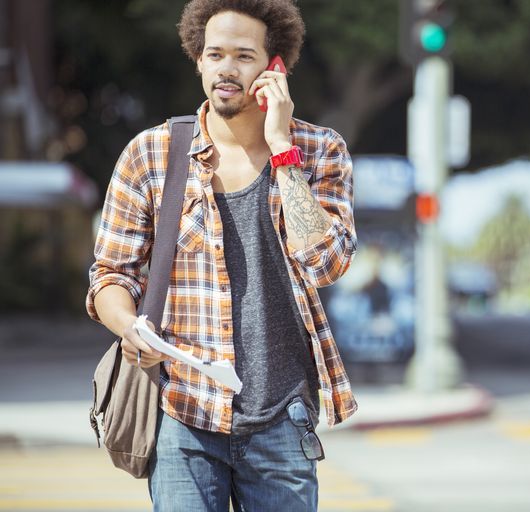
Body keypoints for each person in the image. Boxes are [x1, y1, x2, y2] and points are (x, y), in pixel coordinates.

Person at [85, 1, 358, 509]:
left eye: (243, 55)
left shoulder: (322, 151)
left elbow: (328, 264)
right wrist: (129, 328)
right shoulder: (152, 153)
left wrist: (282, 150)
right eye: (214, 54)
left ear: (274, 67)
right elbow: (111, 274)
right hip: (182, 413)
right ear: (198, 59)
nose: (226, 69)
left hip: (281, 418)